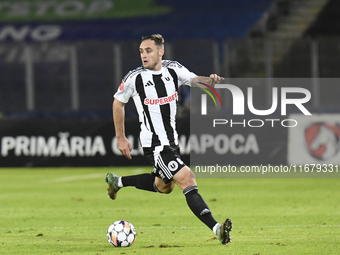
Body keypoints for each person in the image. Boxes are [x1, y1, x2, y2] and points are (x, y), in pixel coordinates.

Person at [105, 34, 232, 245]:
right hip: (155, 145)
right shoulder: (134, 78)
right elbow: (118, 103)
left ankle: (117, 182)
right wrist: (121, 137)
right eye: (141, 52)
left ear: (160, 52)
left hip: (171, 142)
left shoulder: (173, 69)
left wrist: (211, 81)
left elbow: (194, 80)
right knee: (187, 179)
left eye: (148, 51)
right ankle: (217, 229)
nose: (144, 56)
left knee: (164, 186)